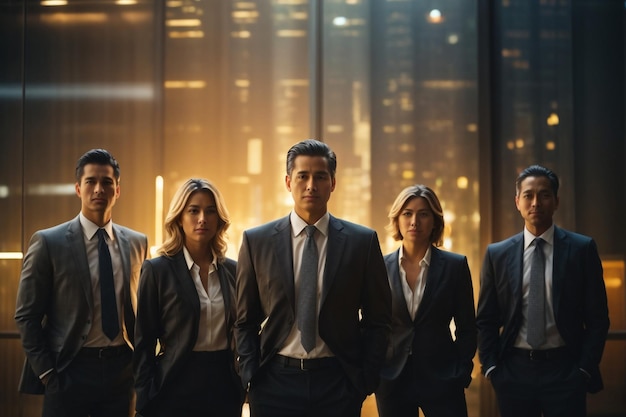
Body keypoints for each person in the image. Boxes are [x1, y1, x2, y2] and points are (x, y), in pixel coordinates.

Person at [235, 139, 392, 417]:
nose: (311, 185)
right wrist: (251, 374)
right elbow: (245, 321)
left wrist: (364, 379)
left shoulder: (362, 242)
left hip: (338, 382)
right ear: (287, 182)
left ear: (332, 183)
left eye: (320, 177)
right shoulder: (256, 242)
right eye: (302, 176)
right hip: (274, 382)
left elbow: (378, 319)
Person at [14, 148, 148, 417]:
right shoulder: (48, 242)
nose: (99, 189)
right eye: (91, 182)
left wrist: (142, 366)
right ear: (78, 188)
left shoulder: (137, 243)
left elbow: (143, 308)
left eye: (107, 182)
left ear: (117, 190)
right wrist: (48, 374)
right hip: (68, 370)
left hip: (121, 372)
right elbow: (26, 316)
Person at [476, 164, 610, 417]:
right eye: (528, 195)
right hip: (513, 371)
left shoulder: (582, 250)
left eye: (544, 195)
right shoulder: (497, 254)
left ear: (556, 201)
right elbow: (486, 318)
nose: (536, 202)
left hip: (565, 370)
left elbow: (598, 318)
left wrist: (584, 369)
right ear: (517, 202)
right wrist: (492, 367)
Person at [133, 178, 244, 417]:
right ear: (179, 218)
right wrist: (145, 398)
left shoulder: (234, 271)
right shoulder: (157, 270)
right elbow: (144, 340)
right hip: (175, 384)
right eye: (193, 211)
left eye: (210, 211)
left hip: (224, 386)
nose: (202, 218)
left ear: (219, 219)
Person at [375, 184, 477, 417]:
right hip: (393, 380)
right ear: (398, 219)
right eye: (407, 213)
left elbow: (467, 327)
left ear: (435, 221)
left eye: (423, 214)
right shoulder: (379, 267)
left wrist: (461, 371)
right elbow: (371, 324)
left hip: (443, 378)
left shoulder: (455, 266)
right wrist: (375, 371)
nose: (414, 221)